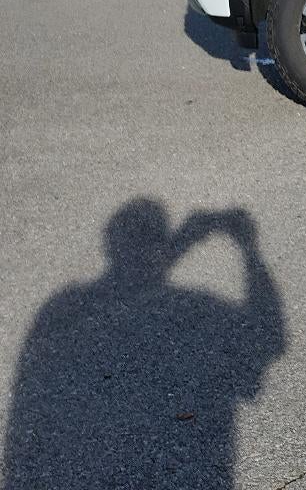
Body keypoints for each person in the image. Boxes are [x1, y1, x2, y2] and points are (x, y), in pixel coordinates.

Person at [3, 199, 286, 489]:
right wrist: (248, 248)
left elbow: (134, 283)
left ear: (110, 246)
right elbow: (269, 337)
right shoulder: (193, 309)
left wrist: (180, 242)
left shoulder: (63, 307)